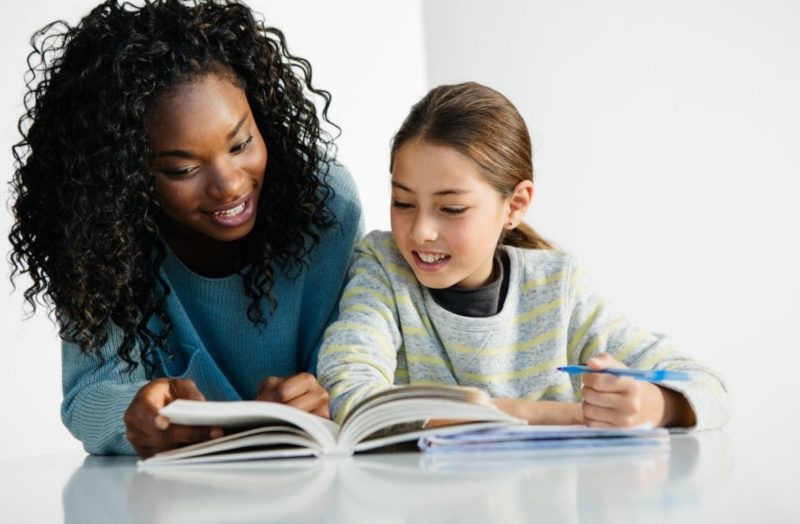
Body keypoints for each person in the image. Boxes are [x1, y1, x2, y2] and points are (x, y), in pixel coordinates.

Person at [9, 0, 362, 456]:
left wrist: (324, 396)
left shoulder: (326, 205)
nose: (230, 185)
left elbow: (353, 357)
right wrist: (136, 417)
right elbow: (89, 396)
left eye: (241, 143)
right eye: (182, 170)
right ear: (126, 175)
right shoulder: (98, 239)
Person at [317, 82, 729, 430]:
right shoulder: (382, 267)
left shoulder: (557, 288)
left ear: (515, 205)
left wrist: (652, 406)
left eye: (452, 208)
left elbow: (708, 388)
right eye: (403, 202)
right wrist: (547, 414)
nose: (421, 231)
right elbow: (351, 394)